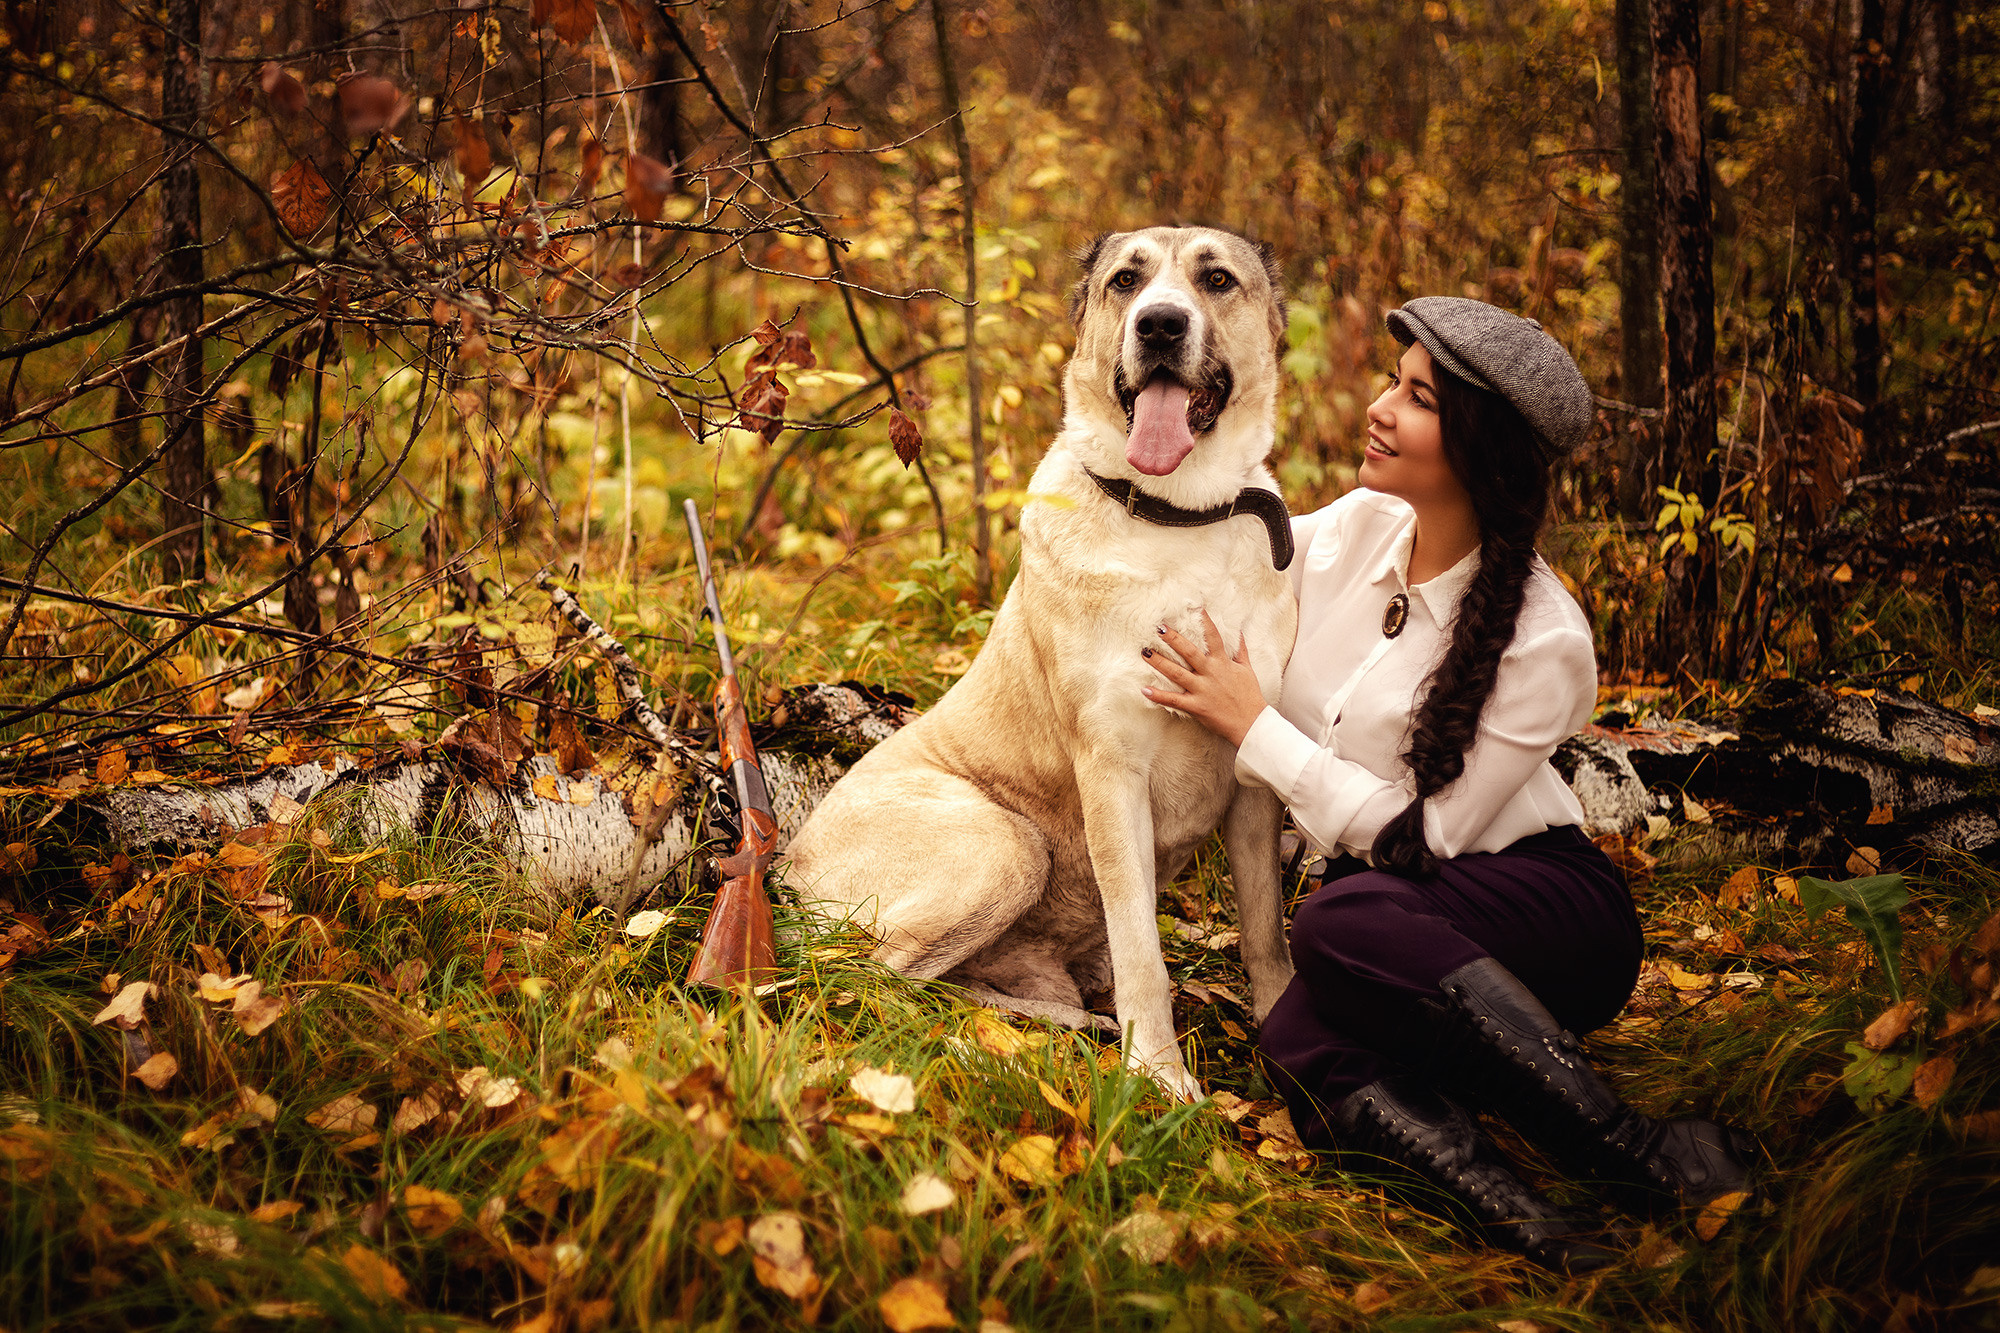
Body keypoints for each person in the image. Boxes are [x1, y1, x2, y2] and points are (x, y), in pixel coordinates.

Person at [1139, 297, 1753, 1274]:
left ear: (1478, 447)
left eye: (1416, 398)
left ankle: (1643, 1154)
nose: (1380, 407)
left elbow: (1420, 844)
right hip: (1394, 914)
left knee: (1334, 927)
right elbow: (1219, 551)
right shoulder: (1349, 532)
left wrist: (1252, 727)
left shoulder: (1544, 637)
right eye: (1393, 381)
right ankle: (1528, 1224)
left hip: (1540, 909)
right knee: (1293, 1027)